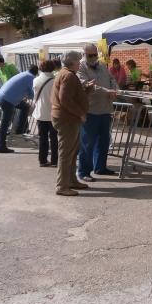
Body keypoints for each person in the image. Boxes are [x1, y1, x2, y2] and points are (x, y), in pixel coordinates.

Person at [52, 50, 91, 196]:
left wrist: (86, 89)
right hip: (67, 119)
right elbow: (65, 99)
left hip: (67, 118)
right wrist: (80, 113)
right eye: (78, 61)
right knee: (66, 153)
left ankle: (71, 180)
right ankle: (62, 186)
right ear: (73, 62)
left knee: (72, 152)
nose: (80, 63)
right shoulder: (68, 75)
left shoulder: (65, 73)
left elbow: (71, 96)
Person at [76, 43, 117, 181]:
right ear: (84, 55)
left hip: (105, 109)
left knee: (104, 141)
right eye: (90, 55)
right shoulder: (80, 67)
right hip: (90, 111)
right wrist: (107, 91)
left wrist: (114, 89)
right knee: (87, 143)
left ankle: (100, 167)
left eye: (95, 55)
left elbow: (112, 79)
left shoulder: (103, 65)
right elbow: (86, 84)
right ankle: (84, 172)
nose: (94, 58)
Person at [0, 65, 37, 153]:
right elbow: (32, 94)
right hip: (8, 99)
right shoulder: (31, 77)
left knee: (25, 106)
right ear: (36, 73)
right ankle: (0, 146)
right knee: (5, 123)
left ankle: (20, 129)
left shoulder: (23, 74)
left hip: (3, 96)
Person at [33, 60, 58, 167]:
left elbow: (35, 96)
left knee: (42, 138)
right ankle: (54, 160)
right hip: (53, 113)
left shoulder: (35, 80)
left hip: (40, 113)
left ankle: (42, 160)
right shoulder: (55, 81)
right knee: (54, 139)